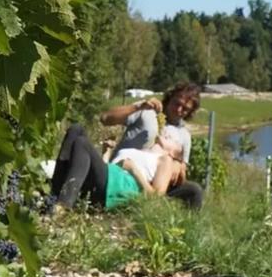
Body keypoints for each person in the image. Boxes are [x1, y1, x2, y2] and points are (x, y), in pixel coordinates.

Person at [101, 83, 204, 208]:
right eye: (177, 103)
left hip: (159, 183)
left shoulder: (185, 135)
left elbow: (182, 173)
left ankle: (175, 221)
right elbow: (105, 118)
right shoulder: (146, 111)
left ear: (190, 112)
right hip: (126, 170)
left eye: (185, 108)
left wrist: (177, 162)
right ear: (170, 98)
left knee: (195, 190)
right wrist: (137, 106)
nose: (179, 110)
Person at [49, 125, 185, 211]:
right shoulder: (144, 152)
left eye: (173, 140)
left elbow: (155, 197)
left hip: (118, 186)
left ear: (173, 153)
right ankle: (54, 196)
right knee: (75, 130)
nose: (168, 134)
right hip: (109, 177)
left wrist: (134, 170)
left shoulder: (165, 160)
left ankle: (63, 206)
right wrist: (106, 153)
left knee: (82, 143)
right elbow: (114, 168)